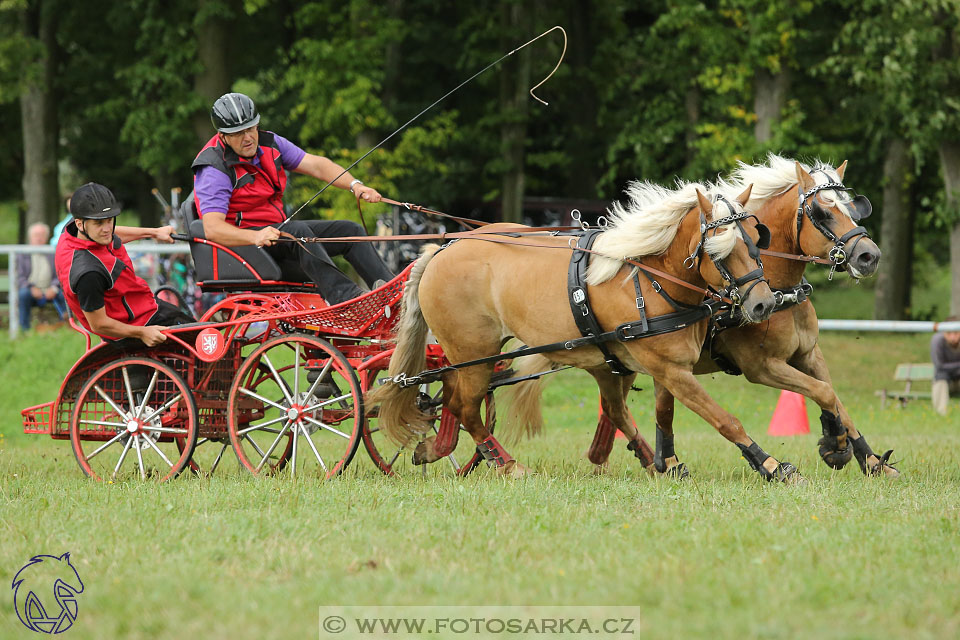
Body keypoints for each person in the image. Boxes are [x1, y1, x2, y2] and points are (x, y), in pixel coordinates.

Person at [192, 92, 394, 305]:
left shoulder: (271, 144)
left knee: (350, 231)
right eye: (238, 133)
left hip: (278, 234)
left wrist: (355, 185)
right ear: (223, 136)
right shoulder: (213, 169)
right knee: (297, 232)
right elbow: (212, 229)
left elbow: (317, 165)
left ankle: (394, 293)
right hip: (245, 248)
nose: (248, 138)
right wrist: (255, 237)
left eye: (251, 128)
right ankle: (347, 300)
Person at [55, 182, 194, 347]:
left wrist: (154, 232)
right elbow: (99, 325)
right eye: (99, 223)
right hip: (135, 324)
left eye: (109, 220)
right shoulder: (88, 273)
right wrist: (142, 333)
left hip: (141, 306)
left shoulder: (74, 232)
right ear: (80, 224)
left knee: (202, 331)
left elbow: (111, 233)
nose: (107, 229)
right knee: (204, 343)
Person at [17, 222, 68, 330]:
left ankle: (66, 325)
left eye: (42, 235)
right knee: (23, 294)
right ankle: (24, 329)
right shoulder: (22, 253)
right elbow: (19, 277)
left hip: (50, 290)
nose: (39, 238)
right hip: (30, 290)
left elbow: (60, 274)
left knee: (65, 294)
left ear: (46, 237)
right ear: (30, 237)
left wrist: (53, 288)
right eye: (36, 235)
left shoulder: (53, 252)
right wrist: (31, 288)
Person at [931, 317, 960, 415]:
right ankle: (941, 414)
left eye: (956, 333)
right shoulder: (937, 340)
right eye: (949, 333)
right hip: (945, 380)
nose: (953, 337)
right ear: (944, 333)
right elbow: (939, 366)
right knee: (941, 378)